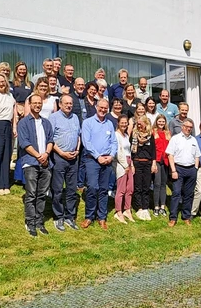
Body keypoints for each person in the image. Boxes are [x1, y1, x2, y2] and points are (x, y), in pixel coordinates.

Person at [18, 93, 54, 237]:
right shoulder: (23, 123)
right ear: (30, 105)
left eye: (39, 103)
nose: (37, 105)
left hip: (45, 163)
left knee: (42, 194)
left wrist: (46, 154)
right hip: (31, 162)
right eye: (35, 103)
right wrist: (38, 156)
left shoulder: (46, 123)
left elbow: (51, 140)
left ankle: (39, 222)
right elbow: (24, 143)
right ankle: (30, 223)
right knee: (31, 194)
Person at [80, 98, 117, 229]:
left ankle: (102, 217)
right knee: (92, 187)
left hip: (107, 161)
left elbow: (114, 142)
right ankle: (89, 216)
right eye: (101, 107)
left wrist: (111, 156)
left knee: (103, 190)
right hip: (92, 160)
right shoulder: (88, 123)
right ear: (96, 107)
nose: (103, 110)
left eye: (105, 108)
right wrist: (98, 156)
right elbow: (86, 142)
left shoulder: (109, 124)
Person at [48, 92, 82, 232]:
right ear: (60, 104)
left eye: (70, 103)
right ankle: (58, 216)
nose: (69, 105)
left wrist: (78, 149)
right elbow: (50, 139)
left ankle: (70, 216)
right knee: (57, 189)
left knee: (71, 189)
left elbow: (78, 136)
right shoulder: (53, 118)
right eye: (66, 103)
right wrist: (61, 153)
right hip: (59, 157)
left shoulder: (75, 117)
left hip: (74, 158)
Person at [165, 117, 200, 227]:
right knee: (176, 193)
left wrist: (195, 168)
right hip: (178, 169)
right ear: (182, 127)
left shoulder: (194, 140)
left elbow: (197, 155)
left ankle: (186, 216)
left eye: (190, 127)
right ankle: (173, 218)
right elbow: (170, 155)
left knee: (188, 195)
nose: (189, 129)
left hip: (191, 170)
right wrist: (173, 170)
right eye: (187, 127)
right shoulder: (175, 139)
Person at [131, 115, 156, 220]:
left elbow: (153, 151)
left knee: (146, 186)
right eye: (138, 123)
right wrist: (131, 164)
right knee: (138, 187)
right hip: (137, 162)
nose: (139, 125)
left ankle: (145, 207)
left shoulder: (150, 135)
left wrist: (154, 163)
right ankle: (139, 207)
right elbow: (130, 151)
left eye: (141, 123)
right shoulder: (134, 135)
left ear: (146, 124)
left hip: (147, 163)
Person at [113, 114, 135, 224]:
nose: (124, 124)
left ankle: (127, 209)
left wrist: (131, 165)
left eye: (126, 123)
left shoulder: (126, 135)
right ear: (118, 123)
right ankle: (118, 211)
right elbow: (118, 152)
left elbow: (129, 151)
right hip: (121, 163)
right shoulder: (116, 135)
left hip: (129, 161)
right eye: (122, 122)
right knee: (121, 189)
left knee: (130, 188)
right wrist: (125, 165)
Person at [152, 113, 171, 217]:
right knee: (157, 183)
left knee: (164, 184)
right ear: (156, 121)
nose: (161, 123)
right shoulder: (153, 132)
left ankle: (162, 206)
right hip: (157, 160)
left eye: (163, 121)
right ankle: (156, 206)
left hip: (166, 161)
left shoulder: (168, 133)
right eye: (159, 121)